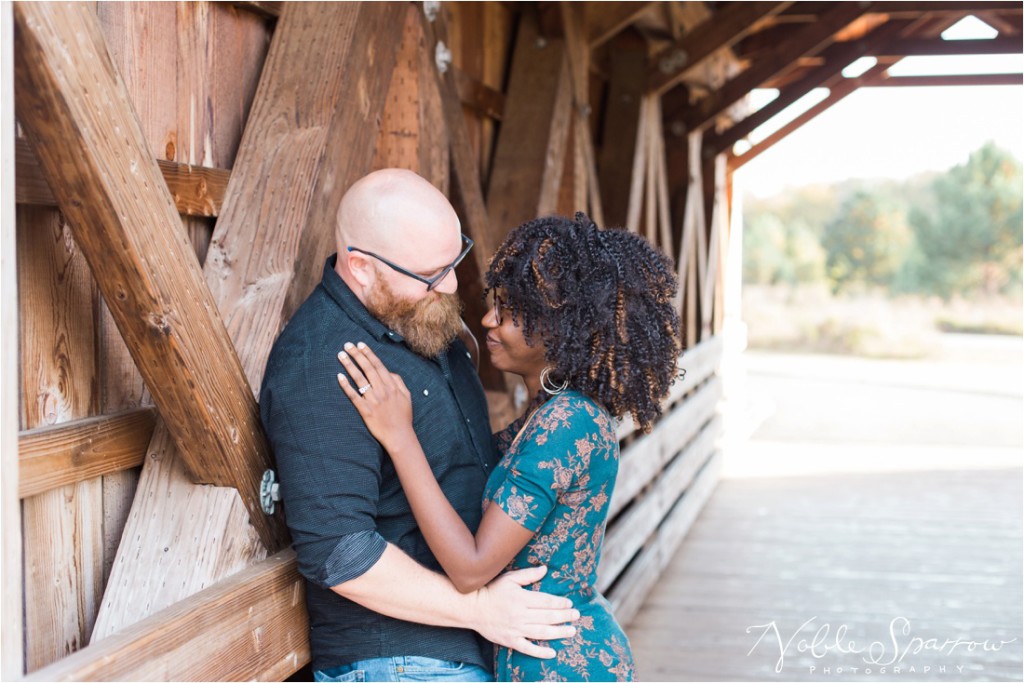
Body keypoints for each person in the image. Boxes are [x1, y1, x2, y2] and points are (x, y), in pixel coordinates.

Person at [259, 169, 579, 683]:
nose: (451, 285)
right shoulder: (321, 362)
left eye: (455, 261)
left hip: (473, 645)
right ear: (360, 267)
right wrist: (480, 610)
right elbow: (341, 553)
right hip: (401, 663)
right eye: (432, 275)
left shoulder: (420, 317)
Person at [335, 212, 681, 682]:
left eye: (513, 313)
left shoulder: (567, 424)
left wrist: (400, 438)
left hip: (559, 665)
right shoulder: (552, 414)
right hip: (541, 652)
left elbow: (471, 569)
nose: (487, 320)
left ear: (563, 329)